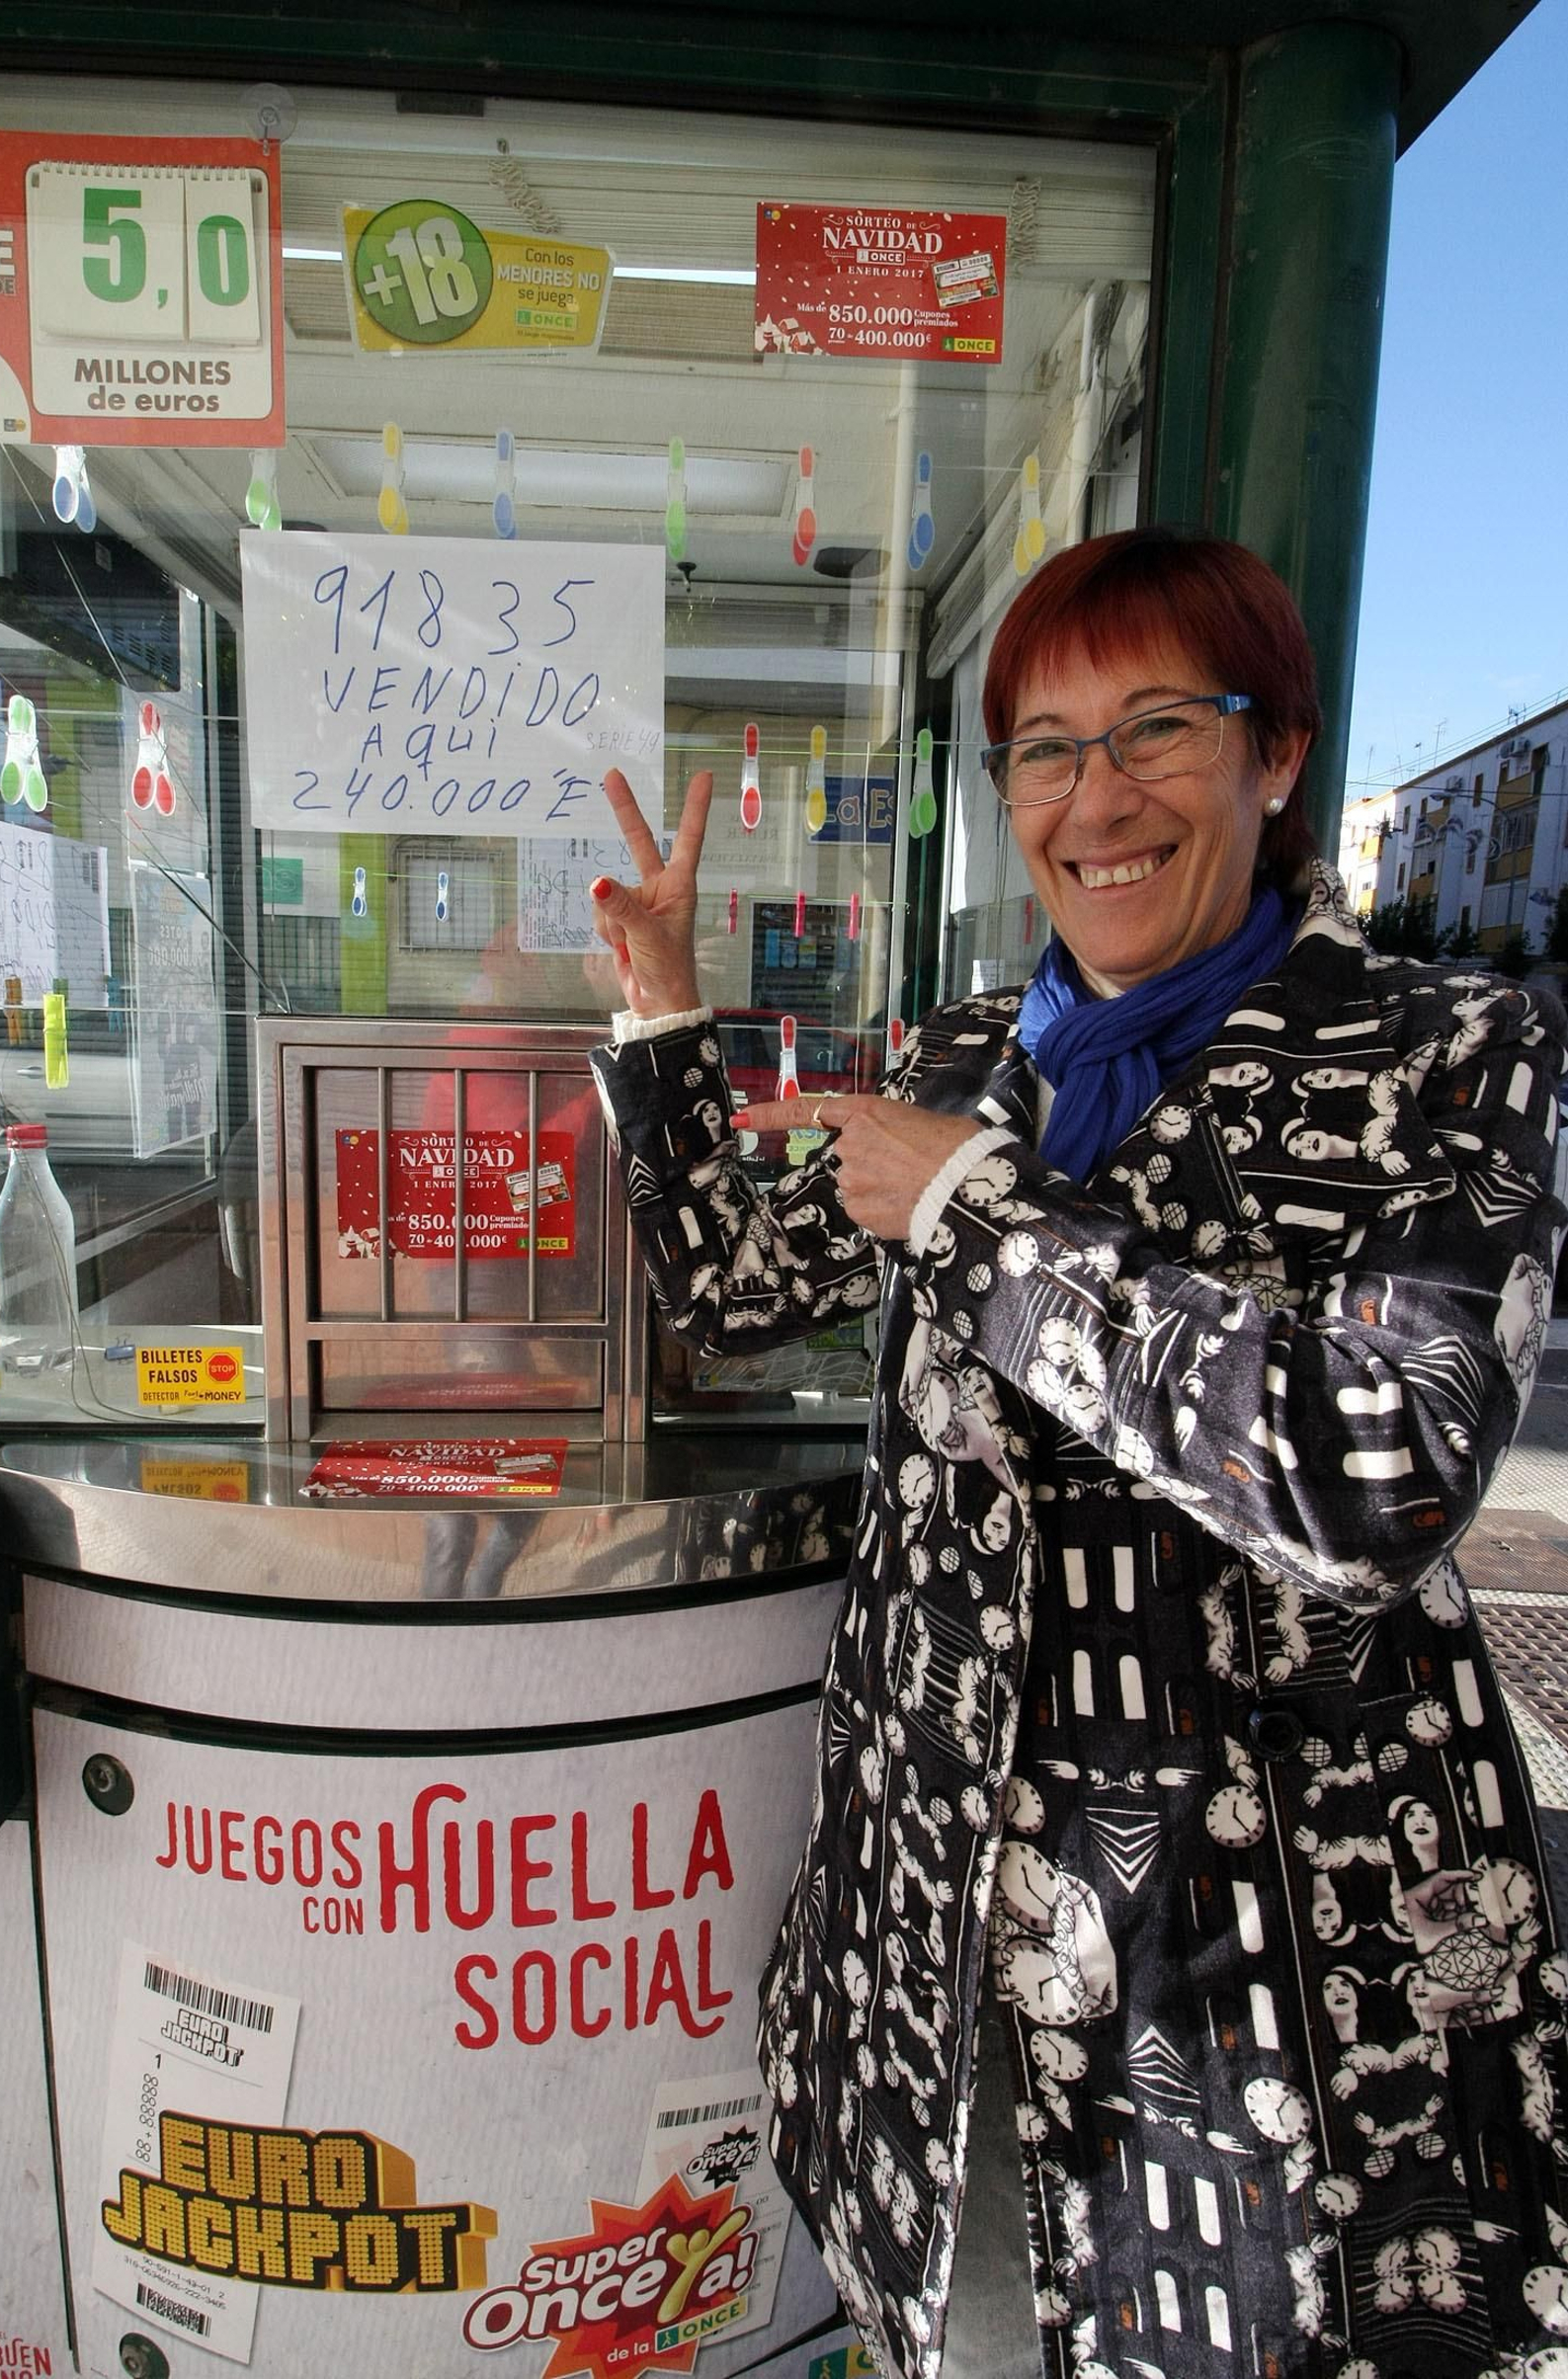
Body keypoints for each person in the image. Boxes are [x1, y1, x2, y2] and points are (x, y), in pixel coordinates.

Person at [586, 528, 1568, 2379]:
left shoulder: (1448, 1046)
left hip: (1262, 1969)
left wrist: (981, 1218)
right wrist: (663, 1006)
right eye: (1044, 747)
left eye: (1156, 730)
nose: (1094, 798)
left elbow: (1384, 1479)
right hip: (941, 1922)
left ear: (1277, 757)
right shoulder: (965, 1051)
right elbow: (732, 1287)